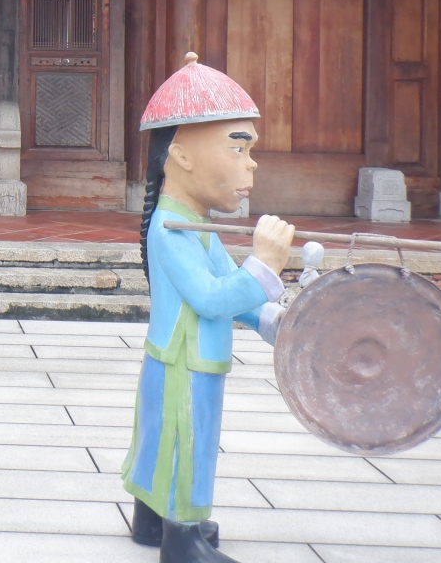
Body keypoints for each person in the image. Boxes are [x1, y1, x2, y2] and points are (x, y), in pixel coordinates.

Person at [122, 53, 293, 563]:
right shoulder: (171, 229)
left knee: (164, 437)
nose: (251, 164)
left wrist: (272, 318)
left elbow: (227, 286)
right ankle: (182, 538)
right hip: (185, 360)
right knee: (187, 440)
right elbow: (213, 298)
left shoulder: (193, 223)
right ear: (181, 156)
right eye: (237, 149)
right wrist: (263, 265)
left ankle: (150, 519)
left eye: (250, 150)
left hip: (183, 356)